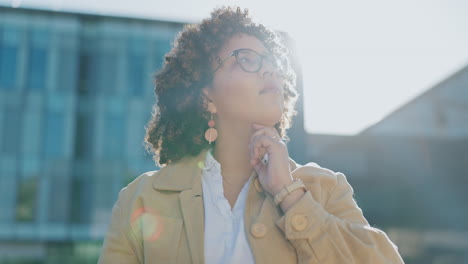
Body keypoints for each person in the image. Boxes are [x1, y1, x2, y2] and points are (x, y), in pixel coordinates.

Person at [98, 6, 404, 264]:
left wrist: (289, 194)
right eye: (247, 59)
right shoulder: (141, 198)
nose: (270, 70)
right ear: (206, 96)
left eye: (273, 62)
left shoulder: (323, 188)